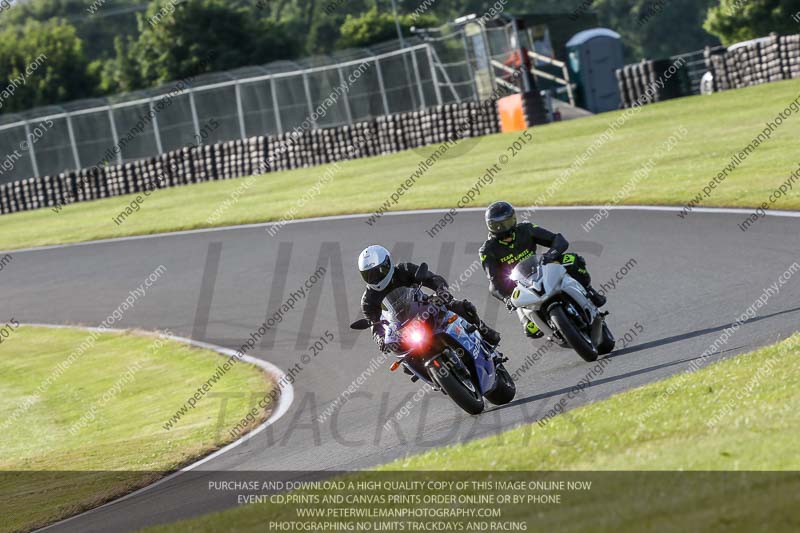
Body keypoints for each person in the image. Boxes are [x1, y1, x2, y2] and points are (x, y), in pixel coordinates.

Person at [479, 201, 606, 339]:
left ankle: (589, 291)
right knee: (531, 331)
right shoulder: (487, 250)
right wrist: (507, 299)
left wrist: (550, 255)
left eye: (507, 222)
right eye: (497, 225)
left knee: (572, 259)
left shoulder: (526, 229)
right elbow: (494, 282)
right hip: (519, 286)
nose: (503, 228)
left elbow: (558, 239)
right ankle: (553, 329)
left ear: (514, 219)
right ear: (490, 226)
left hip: (541, 269)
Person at [358, 245, 501, 352]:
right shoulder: (368, 300)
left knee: (463, 307)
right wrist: (380, 339)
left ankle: (483, 330)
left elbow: (432, 278)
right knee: (403, 358)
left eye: (378, 272)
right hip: (400, 328)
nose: (375, 278)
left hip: (425, 307)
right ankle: (433, 377)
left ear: (387, 263)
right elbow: (375, 324)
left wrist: (441, 291)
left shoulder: (403, 269)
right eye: (368, 275)